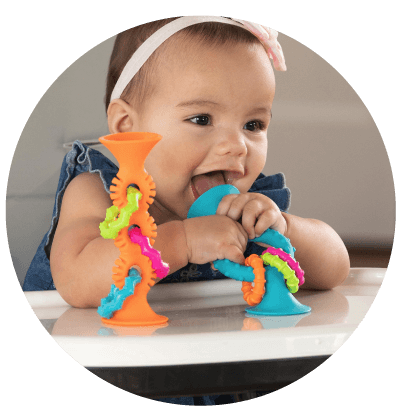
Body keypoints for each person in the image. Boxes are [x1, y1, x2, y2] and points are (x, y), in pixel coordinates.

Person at [23, 16, 350, 405]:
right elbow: (77, 279)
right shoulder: (100, 192)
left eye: (253, 124)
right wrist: (182, 241)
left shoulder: (247, 206)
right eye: (202, 119)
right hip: (118, 371)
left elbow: (336, 268)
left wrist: (285, 228)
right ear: (127, 126)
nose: (237, 145)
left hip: (226, 376)